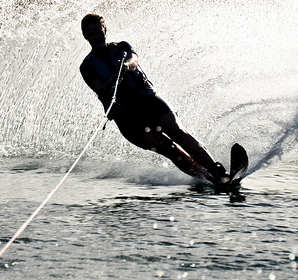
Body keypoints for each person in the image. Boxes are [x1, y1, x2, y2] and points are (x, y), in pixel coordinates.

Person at [79, 13, 230, 187]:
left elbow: (133, 60)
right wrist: (110, 84)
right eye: (91, 34)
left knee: (177, 131)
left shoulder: (122, 47)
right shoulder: (87, 66)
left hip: (148, 101)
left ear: (105, 30)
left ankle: (219, 172)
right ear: (85, 36)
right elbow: (99, 89)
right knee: (168, 148)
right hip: (126, 117)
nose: (96, 37)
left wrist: (125, 67)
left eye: (99, 32)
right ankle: (208, 178)